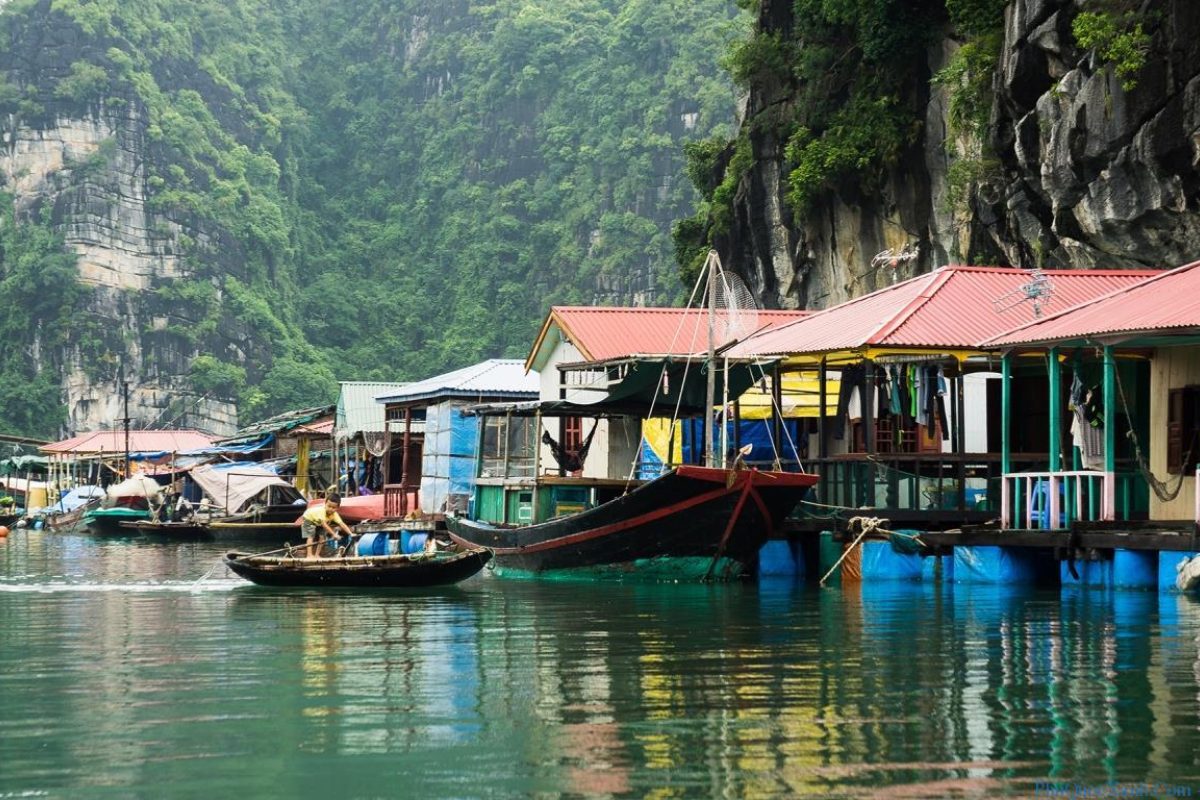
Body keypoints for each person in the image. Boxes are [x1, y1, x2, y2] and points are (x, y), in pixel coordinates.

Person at [302, 492, 355, 558]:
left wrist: (350, 533)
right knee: (310, 536)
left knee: (322, 538)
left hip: (318, 522)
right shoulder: (322, 511)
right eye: (329, 506)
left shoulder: (334, 514)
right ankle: (309, 555)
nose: (330, 509)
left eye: (333, 507)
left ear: (337, 508)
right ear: (325, 504)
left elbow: (342, 524)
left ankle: (317, 555)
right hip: (308, 518)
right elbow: (324, 525)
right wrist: (334, 534)